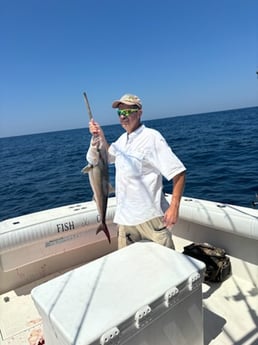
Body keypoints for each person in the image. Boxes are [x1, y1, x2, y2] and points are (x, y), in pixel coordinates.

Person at [87, 93, 186, 249]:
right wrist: (100, 135)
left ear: (139, 112)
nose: (123, 117)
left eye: (127, 112)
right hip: (125, 221)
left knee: (164, 267)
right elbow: (107, 155)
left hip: (150, 219)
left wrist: (174, 207)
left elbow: (179, 172)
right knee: (130, 268)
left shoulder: (152, 137)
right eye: (120, 113)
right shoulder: (122, 140)